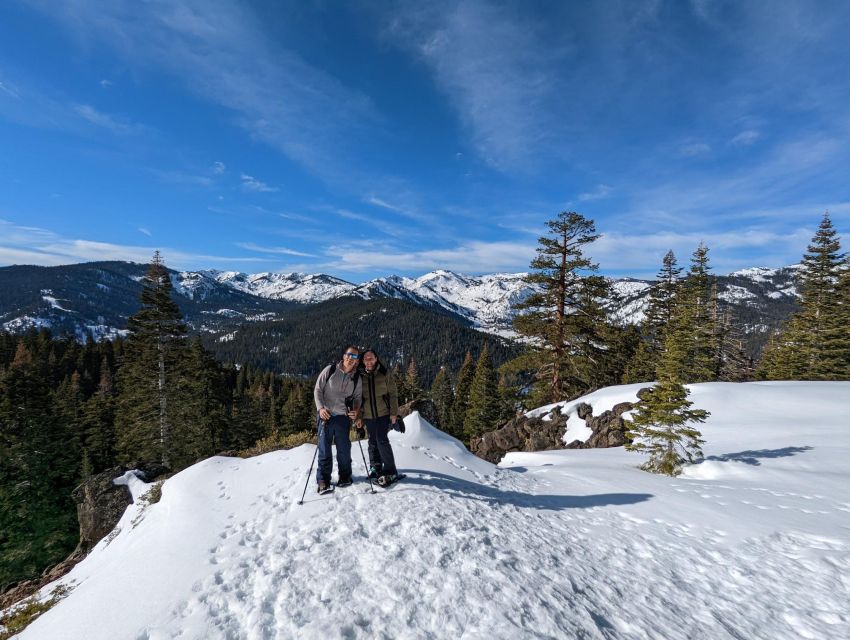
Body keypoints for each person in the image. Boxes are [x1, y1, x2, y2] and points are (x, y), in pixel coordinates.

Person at [313, 345, 362, 493]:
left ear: (357, 361)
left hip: (342, 418)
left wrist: (356, 411)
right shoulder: (330, 370)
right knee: (324, 450)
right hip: (325, 416)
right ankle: (323, 480)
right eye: (348, 355)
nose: (350, 358)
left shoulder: (356, 378)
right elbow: (318, 390)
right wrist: (320, 408)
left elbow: (358, 398)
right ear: (344, 356)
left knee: (344, 450)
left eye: (354, 357)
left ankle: (345, 476)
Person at [358, 349, 401, 486]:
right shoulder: (359, 376)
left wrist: (394, 413)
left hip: (383, 414)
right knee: (372, 440)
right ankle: (375, 467)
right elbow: (356, 398)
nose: (369, 361)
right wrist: (358, 417)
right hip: (368, 415)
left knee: (381, 439)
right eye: (366, 359)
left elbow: (393, 394)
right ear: (363, 361)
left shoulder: (384, 374)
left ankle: (390, 470)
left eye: (371, 358)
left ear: (376, 359)